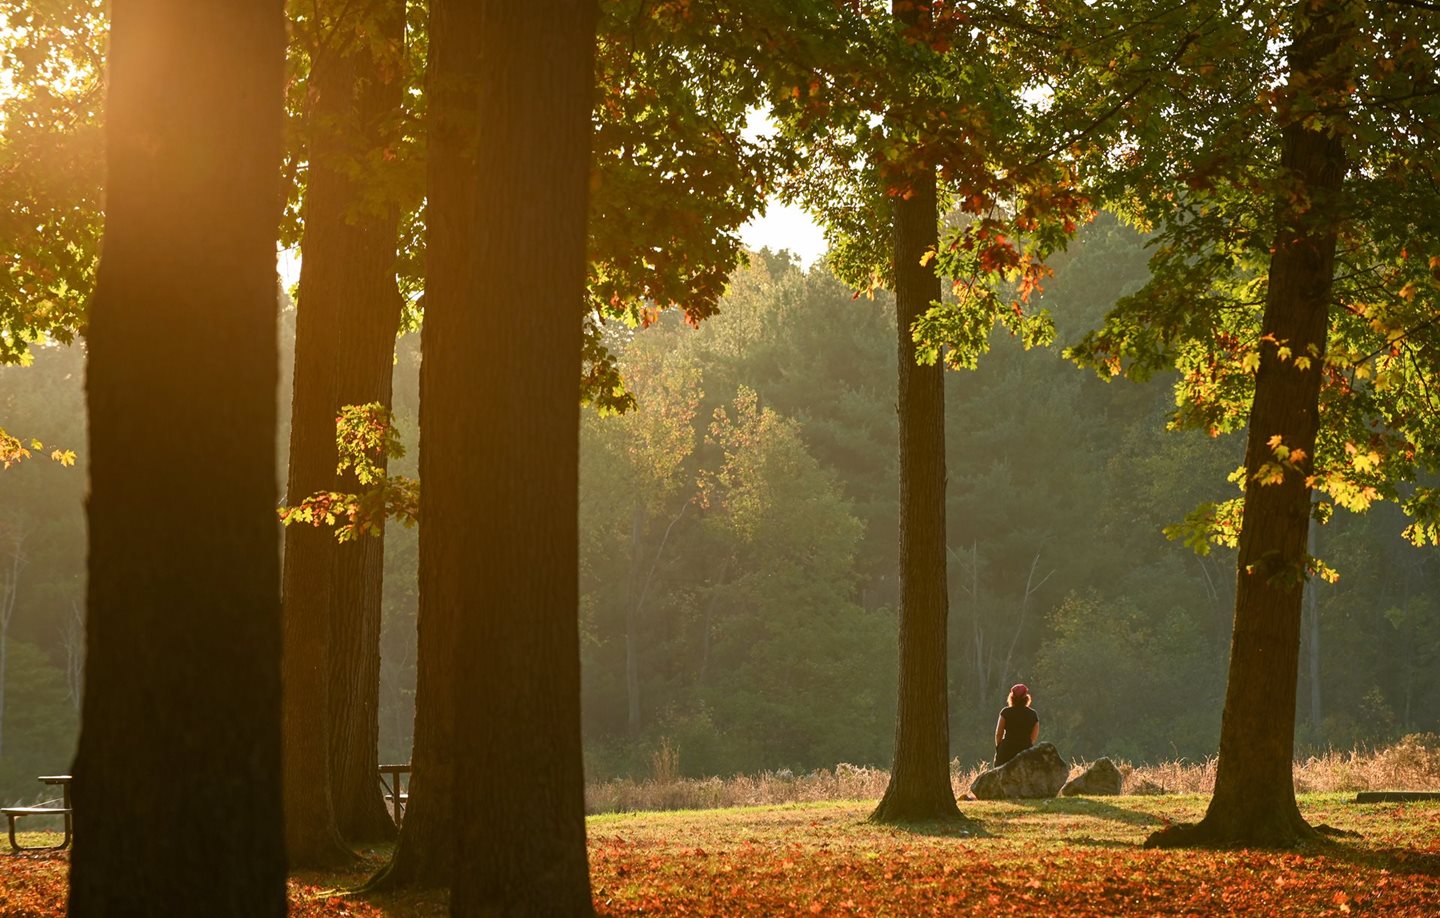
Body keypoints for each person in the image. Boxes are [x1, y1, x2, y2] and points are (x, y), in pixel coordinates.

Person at [994, 683, 1039, 766]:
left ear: (1011, 698)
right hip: (1025, 752)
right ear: (1026, 698)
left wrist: (999, 748)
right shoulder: (1033, 714)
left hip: (1006, 752)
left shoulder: (1005, 712)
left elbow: (998, 734)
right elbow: (1033, 737)